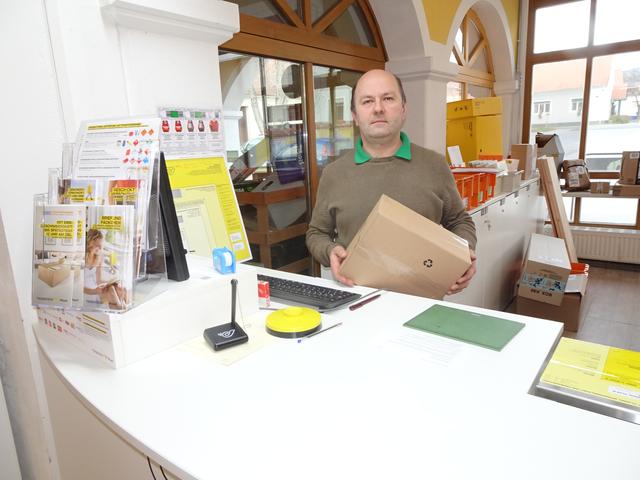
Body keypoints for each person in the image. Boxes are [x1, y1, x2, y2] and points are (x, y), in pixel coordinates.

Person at [305, 69, 477, 296]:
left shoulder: (434, 165)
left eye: (388, 98)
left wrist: (464, 255)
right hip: (354, 301)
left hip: (422, 302)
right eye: (367, 101)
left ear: (404, 109)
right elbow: (316, 233)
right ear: (355, 116)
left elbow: (459, 221)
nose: (378, 108)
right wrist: (330, 250)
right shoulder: (334, 174)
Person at [84, 228, 129, 309]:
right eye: (97, 246)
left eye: (101, 246)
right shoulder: (82, 258)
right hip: (87, 290)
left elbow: (99, 280)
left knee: (122, 289)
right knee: (111, 290)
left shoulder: (99, 257)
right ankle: (121, 310)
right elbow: (79, 287)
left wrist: (112, 281)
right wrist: (96, 290)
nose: (99, 249)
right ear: (90, 243)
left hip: (96, 287)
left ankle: (123, 309)